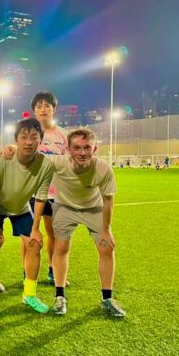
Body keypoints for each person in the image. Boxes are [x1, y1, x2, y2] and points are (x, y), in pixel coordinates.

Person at [50, 128, 126, 318]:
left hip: (94, 209)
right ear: (68, 149)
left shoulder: (102, 168)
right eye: (77, 148)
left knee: (106, 248)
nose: (82, 153)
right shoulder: (57, 163)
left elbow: (108, 200)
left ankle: (107, 298)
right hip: (64, 208)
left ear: (95, 148)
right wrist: (10, 148)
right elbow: (30, 158)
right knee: (61, 247)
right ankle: (60, 296)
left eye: (87, 148)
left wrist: (106, 230)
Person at [0, 118, 54, 316]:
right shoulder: (3, 159)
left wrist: (35, 229)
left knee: (34, 244)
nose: (29, 142)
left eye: (34, 137)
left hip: (21, 207)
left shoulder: (46, 165)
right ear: (16, 139)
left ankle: (29, 294)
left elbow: (40, 198)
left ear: (40, 140)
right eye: (24, 137)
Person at [2, 91, 68, 285]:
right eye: (39, 106)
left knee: (53, 234)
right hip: (30, 192)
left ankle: (52, 269)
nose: (43, 109)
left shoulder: (64, 135)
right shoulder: (29, 134)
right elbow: (17, 149)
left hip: (56, 194)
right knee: (27, 236)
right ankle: (26, 272)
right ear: (33, 110)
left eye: (47, 105)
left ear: (53, 109)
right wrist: (11, 148)